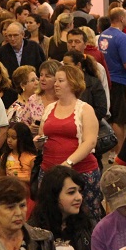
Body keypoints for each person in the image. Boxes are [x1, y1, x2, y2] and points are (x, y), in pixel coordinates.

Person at [35, 65, 103, 221]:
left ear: (72, 83)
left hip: (81, 172)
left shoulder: (85, 109)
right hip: (49, 170)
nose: (56, 84)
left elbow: (90, 141)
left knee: (86, 216)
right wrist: (39, 142)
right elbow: (42, 134)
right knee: (49, 214)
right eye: (56, 81)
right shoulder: (49, 108)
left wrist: (68, 163)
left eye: (60, 81)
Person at [99, 8, 126, 154]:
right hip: (120, 81)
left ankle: (113, 153)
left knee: (113, 116)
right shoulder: (122, 37)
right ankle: (119, 153)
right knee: (118, 120)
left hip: (108, 80)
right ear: (121, 18)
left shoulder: (103, 35)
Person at [62, 50, 108, 122]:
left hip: (88, 123)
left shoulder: (94, 83)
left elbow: (101, 110)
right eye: (63, 65)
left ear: (78, 65)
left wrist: (80, 116)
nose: (64, 68)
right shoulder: (62, 83)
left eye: (67, 65)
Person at [23, 59, 61, 134]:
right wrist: (29, 129)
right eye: (41, 75)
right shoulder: (33, 99)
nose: (42, 79)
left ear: (57, 79)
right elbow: (23, 125)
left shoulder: (64, 100)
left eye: (47, 76)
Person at [0, 122, 37, 194]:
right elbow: (0, 177)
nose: (9, 140)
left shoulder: (31, 158)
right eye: (8, 136)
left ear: (23, 139)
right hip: (9, 192)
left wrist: (17, 179)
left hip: (26, 193)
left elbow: (34, 180)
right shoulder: (5, 156)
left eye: (13, 138)